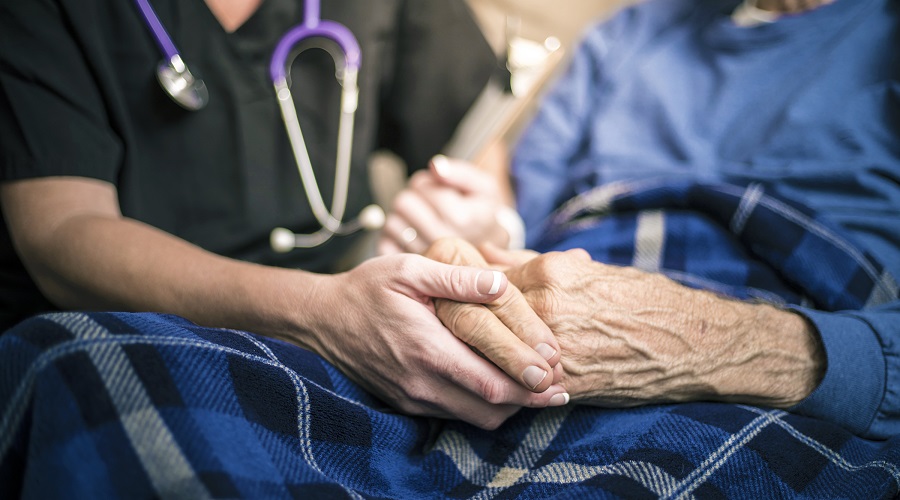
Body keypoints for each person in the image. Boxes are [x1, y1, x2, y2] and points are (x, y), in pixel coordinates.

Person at [0, 0, 572, 429]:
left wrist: (485, 222)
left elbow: (472, 147)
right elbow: (59, 232)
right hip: (124, 333)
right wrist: (322, 314)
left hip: (357, 331)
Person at [381, 0, 900, 439]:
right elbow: (528, 217)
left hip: (801, 336)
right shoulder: (628, 32)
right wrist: (486, 232)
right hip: (563, 308)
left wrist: (713, 345)